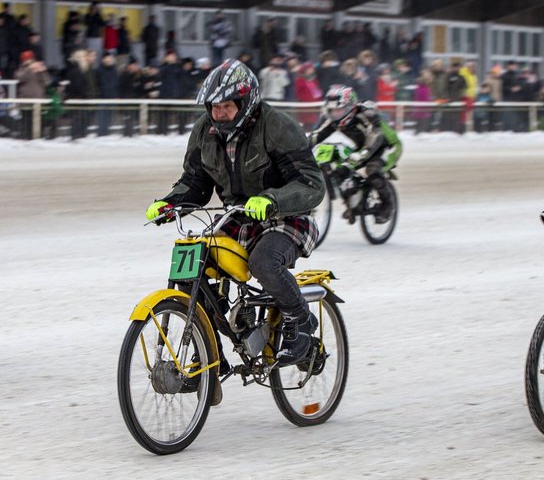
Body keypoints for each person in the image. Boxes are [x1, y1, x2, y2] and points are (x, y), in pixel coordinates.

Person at [144, 59, 325, 366]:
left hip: (289, 217)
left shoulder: (277, 126)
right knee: (193, 265)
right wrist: (171, 202)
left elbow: (311, 184)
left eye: (226, 106)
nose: (219, 113)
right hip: (238, 219)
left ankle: (300, 320)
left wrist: (272, 199)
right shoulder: (204, 130)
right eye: (214, 107)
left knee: (264, 261)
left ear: (246, 102)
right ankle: (208, 356)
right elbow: (195, 183)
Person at [309, 85, 403, 223]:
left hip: (387, 146)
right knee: (340, 169)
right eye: (331, 110)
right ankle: (353, 199)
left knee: (372, 170)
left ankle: (388, 206)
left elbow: (376, 136)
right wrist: (297, 149)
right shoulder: (331, 118)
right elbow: (315, 136)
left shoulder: (367, 114)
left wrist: (361, 156)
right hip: (363, 147)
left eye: (339, 110)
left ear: (350, 107)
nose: (334, 114)